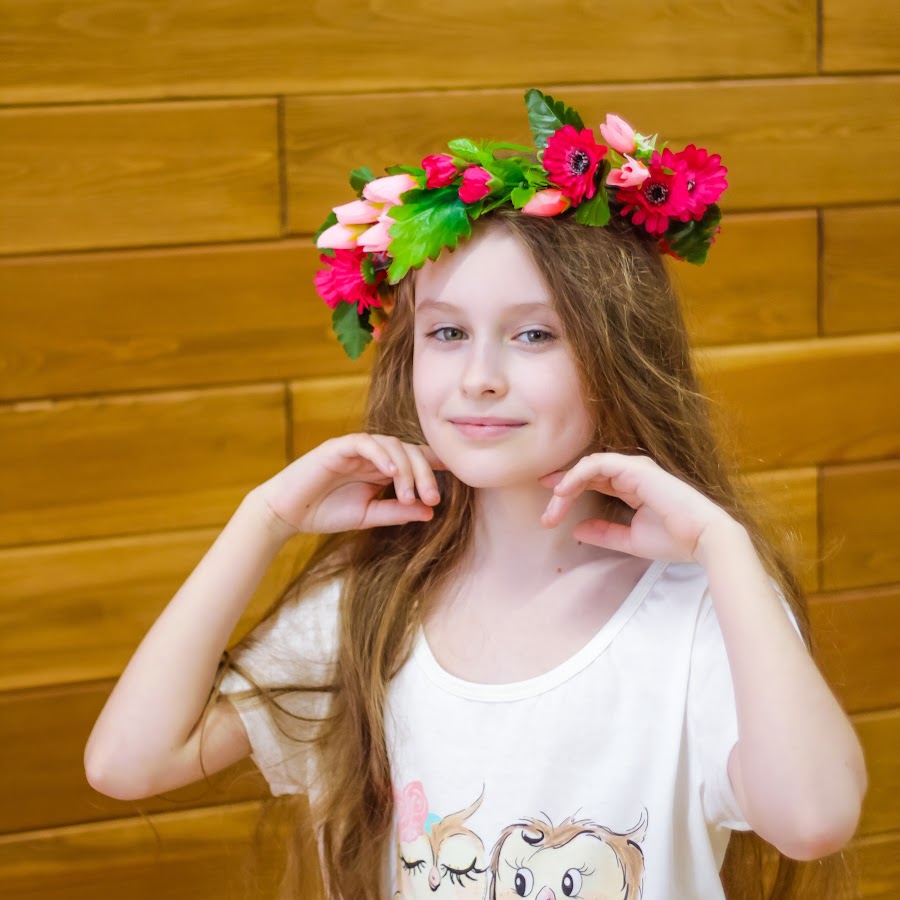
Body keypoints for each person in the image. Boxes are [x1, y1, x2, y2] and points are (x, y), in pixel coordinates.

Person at [85, 90, 867, 900]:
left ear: (619, 355)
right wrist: (265, 518)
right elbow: (126, 763)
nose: (480, 377)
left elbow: (813, 818)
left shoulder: (700, 607)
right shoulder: (372, 603)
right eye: (447, 333)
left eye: (534, 334)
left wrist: (725, 549)